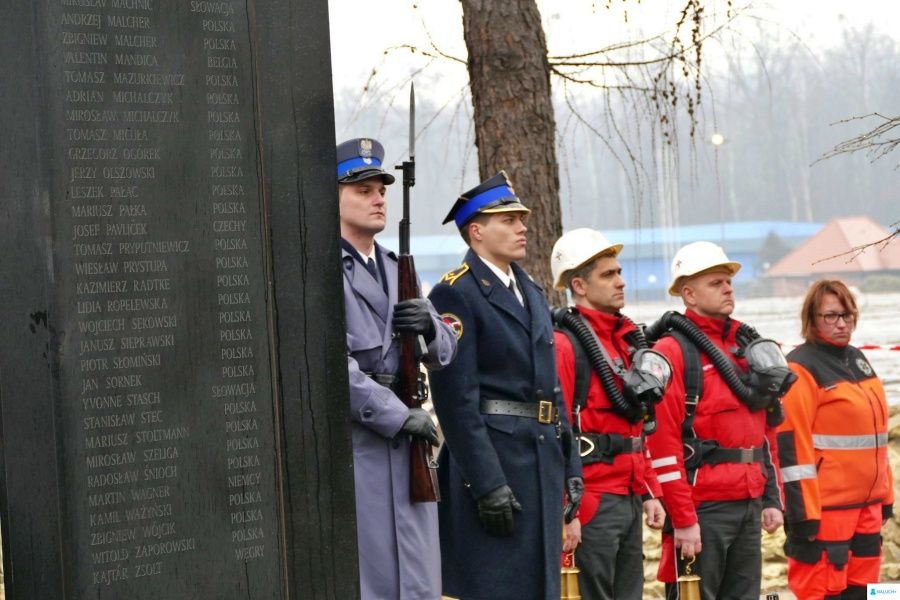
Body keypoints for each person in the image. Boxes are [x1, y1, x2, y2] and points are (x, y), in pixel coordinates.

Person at [427, 172, 582, 600]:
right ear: (476, 231)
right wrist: (487, 483)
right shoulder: (456, 293)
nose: (522, 227)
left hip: (540, 464)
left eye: (522, 218)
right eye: (508, 220)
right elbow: (456, 402)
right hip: (497, 467)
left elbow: (552, 392)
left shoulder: (530, 290)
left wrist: (571, 469)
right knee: (499, 586)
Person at [338, 137, 457, 600]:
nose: (378, 198)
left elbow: (443, 352)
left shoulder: (395, 267)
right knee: (375, 581)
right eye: (363, 189)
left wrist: (429, 324)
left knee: (419, 582)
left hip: (409, 444)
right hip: (364, 446)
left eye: (381, 189)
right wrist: (395, 414)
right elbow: (335, 367)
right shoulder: (325, 269)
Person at [645, 241, 786, 600]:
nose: (728, 288)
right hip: (702, 508)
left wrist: (771, 498)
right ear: (688, 294)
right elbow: (663, 446)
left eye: (729, 281)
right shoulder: (672, 352)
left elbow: (763, 433)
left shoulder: (746, 349)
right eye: (716, 283)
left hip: (748, 503)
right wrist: (684, 518)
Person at [550, 228, 667, 600]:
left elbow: (639, 423)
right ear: (579, 285)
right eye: (608, 274)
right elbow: (557, 430)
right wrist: (568, 512)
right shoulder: (567, 345)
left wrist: (650, 491)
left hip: (630, 497)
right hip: (593, 500)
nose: (621, 282)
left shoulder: (625, 341)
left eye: (619, 272)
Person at [777, 280, 894, 600]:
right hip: (826, 513)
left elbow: (875, 438)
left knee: (870, 593)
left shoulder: (857, 359)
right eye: (830, 316)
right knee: (819, 591)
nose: (841, 323)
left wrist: (886, 495)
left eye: (847, 315)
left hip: (867, 508)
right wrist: (802, 515)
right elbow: (791, 446)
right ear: (811, 319)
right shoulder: (801, 368)